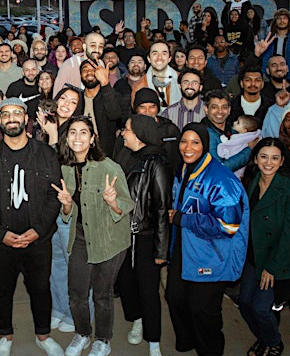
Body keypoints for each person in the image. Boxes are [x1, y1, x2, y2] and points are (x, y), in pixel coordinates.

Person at [0, 98, 64, 356]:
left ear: (26, 119)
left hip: (38, 240)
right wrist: (0, 234)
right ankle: (5, 335)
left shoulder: (46, 154)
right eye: (6, 114)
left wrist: (39, 230)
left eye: (17, 113)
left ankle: (43, 335)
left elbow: (55, 195)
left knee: (40, 289)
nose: (12, 118)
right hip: (1, 242)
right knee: (3, 289)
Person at [50, 116, 133, 356]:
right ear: (66, 138)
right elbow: (69, 213)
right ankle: (83, 333)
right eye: (73, 132)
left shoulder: (109, 167)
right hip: (80, 238)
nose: (77, 137)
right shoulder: (65, 168)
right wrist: (65, 205)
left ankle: (103, 340)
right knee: (76, 293)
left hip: (109, 240)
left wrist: (113, 202)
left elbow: (127, 205)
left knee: (102, 294)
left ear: (92, 138)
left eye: (83, 132)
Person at [166, 123, 249, 356]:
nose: (187, 147)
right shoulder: (185, 168)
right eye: (184, 141)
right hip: (185, 247)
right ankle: (189, 339)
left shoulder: (221, 179)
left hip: (213, 253)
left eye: (195, 142)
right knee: (174, 297)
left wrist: (184, 219)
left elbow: (228, 226)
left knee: (202, 309)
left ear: (205, 145)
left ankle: (210, 350)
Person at [238, 139, 290, 356]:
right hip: (254, 255)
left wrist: (272, 268)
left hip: (277, 258)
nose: (268, 162)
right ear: (256, 159)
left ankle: (274, 342)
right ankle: (264, 338)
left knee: (260, 307)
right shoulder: (252, 181)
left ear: (282, 161)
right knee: (244, 304)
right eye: (264, 156)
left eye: (275, 158)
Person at [115, 115, 172, 355]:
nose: (122, 133)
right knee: (126, 284)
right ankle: (136, 319)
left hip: (145, 238)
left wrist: (161, 250)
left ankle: (154, 341)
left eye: (126, 129)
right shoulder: (125, 155)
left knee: (148, 291)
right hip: (123, 236)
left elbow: (161, 209)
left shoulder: (156, 163)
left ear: (138, 134)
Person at [257, 10, 290, 81]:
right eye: (279, 18)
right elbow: (262, 59)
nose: (282, 20)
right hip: (270, 80)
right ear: (275, 21)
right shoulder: (268, 40)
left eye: (285, 18)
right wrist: (264, 74)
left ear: (289, 21)